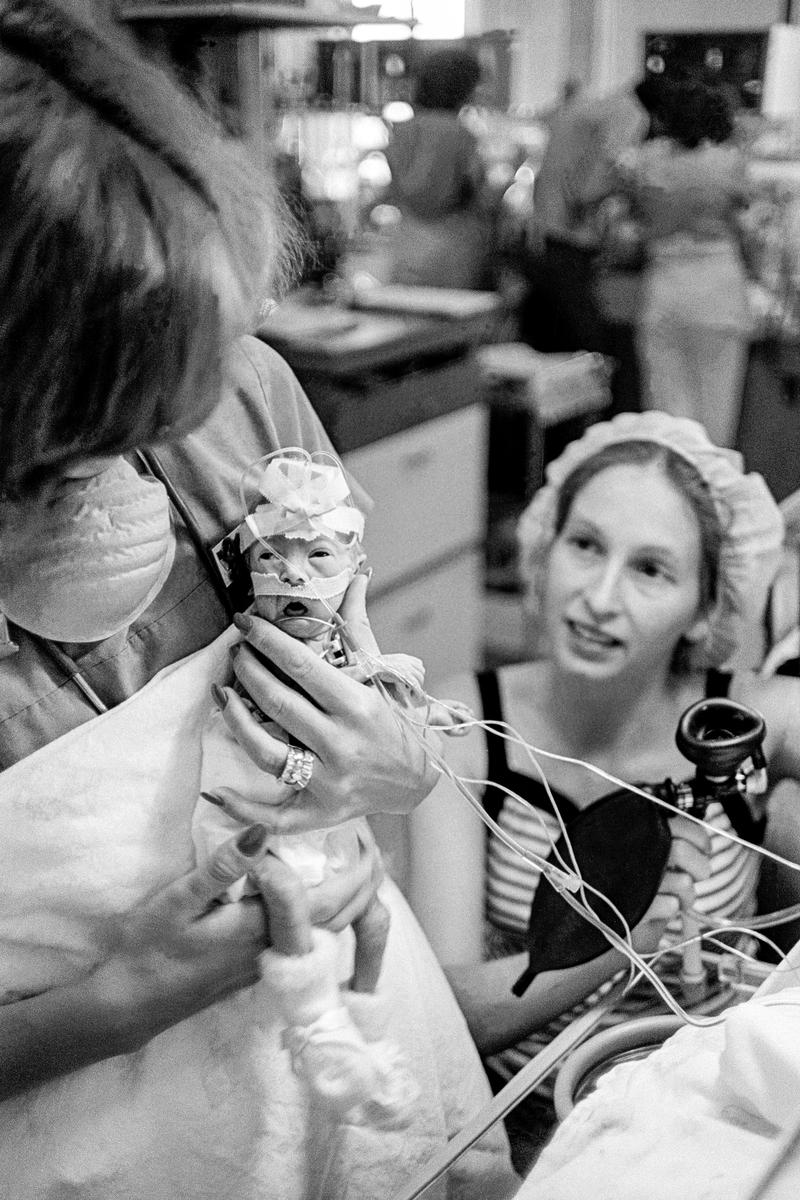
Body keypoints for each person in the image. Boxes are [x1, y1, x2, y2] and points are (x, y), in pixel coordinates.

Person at [0, 4, 517, 1197]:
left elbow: (378, 692)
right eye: (77, 452)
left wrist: (393, 763)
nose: (146, 462)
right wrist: (114, 1005)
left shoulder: (241, 397)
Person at [408, 410, 796, 1170]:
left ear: (705, 608)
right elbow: (445, 1016)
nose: (599, 598)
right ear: (543, 551)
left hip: (704, 1124)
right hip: (514, 1128)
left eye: (651, 569)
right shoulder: (467, 724)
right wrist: (633, 937)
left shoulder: (747, 722)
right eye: (585, 546)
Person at [192, 447, 426, 1129]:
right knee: (291, 895)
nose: (291, 572)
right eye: (271, 560)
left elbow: (379, 706)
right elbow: (265, 713)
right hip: (248, 812)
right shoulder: (259, 647)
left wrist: (399, 694)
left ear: (355, 570)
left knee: (376, 916)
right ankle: (319, 1032)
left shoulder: (344, 645)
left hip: (320, 812)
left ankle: (371, 1037)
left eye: (317, 558)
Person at [617, 78, 754, 447]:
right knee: (716, 420)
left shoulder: (646, 160)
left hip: (663, 289)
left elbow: (627, 219)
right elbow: (748, 224)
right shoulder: (728, 162)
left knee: (666, 419)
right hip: (719, 291)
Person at [382, 46, 487, 289]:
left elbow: (397, 188)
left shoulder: (402, 130)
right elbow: (478, 192)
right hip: (452, 245)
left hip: (407, 240)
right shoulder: (461, 134)